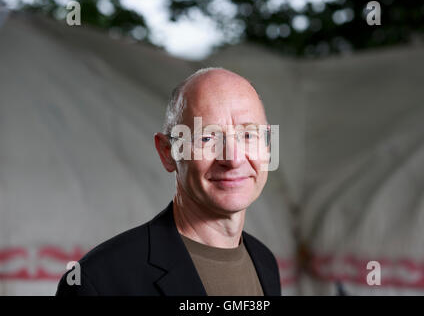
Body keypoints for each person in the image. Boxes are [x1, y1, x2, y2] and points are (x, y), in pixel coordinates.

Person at [56, 67, 281, 296]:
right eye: (206, 137)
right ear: (167, 152)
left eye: (248, 135)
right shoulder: (97, 282)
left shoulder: (265, 262)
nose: (233, 159)